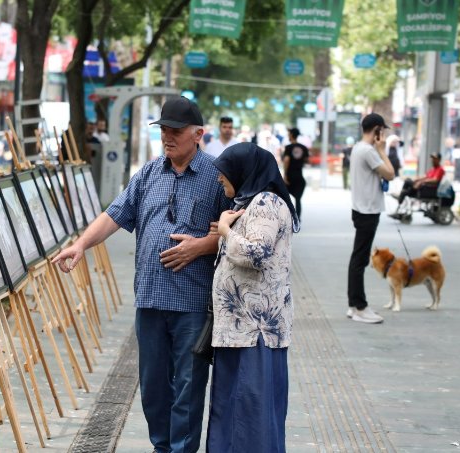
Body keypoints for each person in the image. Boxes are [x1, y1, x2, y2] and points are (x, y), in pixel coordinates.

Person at [52, 96, 229, 453]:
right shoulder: (148, 173)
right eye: (163, 129)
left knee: (188, 388)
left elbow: (233, 234)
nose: (167, 137)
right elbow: (114, 215)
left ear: (198, 134)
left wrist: (200, 246)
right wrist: (81, 245)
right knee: (153, 388)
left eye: (176, 130)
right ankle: (162, 447)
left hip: (192, 304)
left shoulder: (216, 176)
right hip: (149, 299)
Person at [206, 143, 300, 453]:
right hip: (242, 331)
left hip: (253, 332)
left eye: (224, 172)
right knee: (238, 409)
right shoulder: (254, 201)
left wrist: (225, 230)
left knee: (249, 412)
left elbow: (257, 253)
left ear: (242, 171)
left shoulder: (265, 203)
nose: (220, 178)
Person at [347, 113, 395, 324]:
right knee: (360, 260)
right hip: (367, 211)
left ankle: (353, 305)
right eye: (382, 130)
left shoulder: (359, 148)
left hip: (361, 209)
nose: (383, 135)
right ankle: (360, 307)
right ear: (377, 130)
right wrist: (383, 150)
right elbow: (390, 174)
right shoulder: (369, 151)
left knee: (358, 258)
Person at [282, 127, 308, 219]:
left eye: (289, 134)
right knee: (298, 199)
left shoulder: (288, 147)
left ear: (292, 135)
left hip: (289, 177)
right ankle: (298, 219)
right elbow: (306, 160)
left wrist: (285, 175)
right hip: (299, 176)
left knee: (284, 199)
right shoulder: (304, 148)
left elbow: (286, 160)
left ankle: (286, 218)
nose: (288, 136)